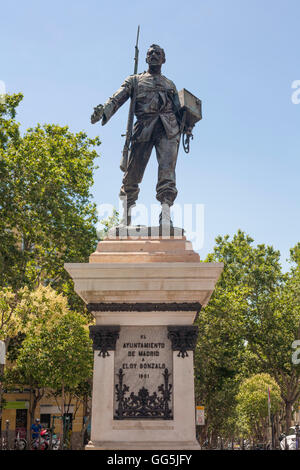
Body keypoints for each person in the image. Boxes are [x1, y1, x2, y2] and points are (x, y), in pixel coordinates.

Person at [91, 44, 192, 226]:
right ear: (146, 58)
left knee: (167, 175)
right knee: (132, 175)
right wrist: (103, 111)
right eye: (150, 53)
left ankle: (166, 215)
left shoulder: (170, 84)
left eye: (158, 53)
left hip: (168, 130)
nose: (154, 55)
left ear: (163, 59)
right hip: (143, 128)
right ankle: (125, 217)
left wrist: (187, 125)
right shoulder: (134, 80)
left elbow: (179, 110)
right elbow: (117, 98)